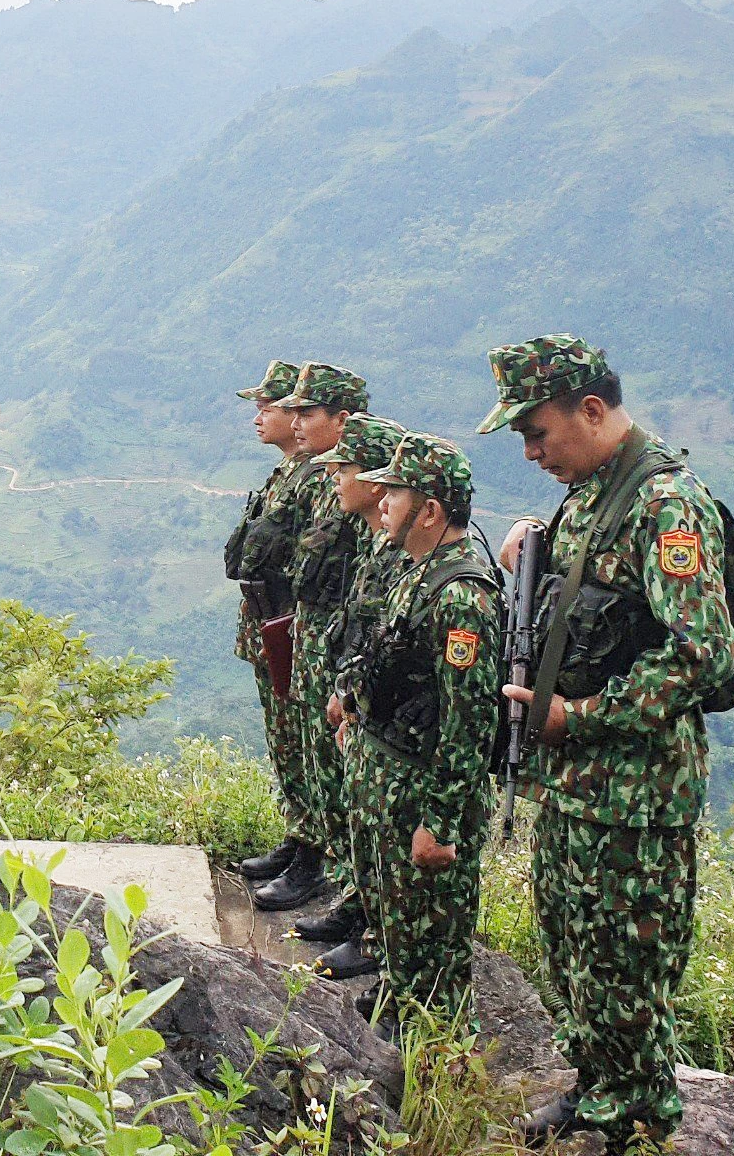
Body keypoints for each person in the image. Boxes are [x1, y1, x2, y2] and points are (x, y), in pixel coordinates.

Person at [480, 333, 734, 1150]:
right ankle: (598, 1090)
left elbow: (702, 652)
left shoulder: (665, 504)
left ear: (591, 410)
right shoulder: (592, 493)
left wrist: (580, 717)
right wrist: (533, 539)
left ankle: (637, 1117)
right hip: (577, 784)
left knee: (626, 970)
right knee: (573, 952)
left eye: (538, 432)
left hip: (635, 794)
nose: (531, 452)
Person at [346, 433, 499, 1029]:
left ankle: (435, 1046)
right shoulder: (415, 573)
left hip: (420, 792)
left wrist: (440, 822)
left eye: (396, 492)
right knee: (397, 925)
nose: (382, 501)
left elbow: (469, 721)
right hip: (389, 780)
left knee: (433, 945)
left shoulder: (460, 597)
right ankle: (398, 1001)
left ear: (430, 510)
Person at [255, 361, 369, 911]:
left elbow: (348, 576)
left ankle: (330, 872)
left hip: (335, 641)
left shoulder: (358, 485)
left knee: (331, 758)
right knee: (306, 749)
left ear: (341, 419)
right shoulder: (320, 479)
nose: (294, 421)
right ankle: (307, 847)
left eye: (307, 412)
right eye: (292, 411)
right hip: (308, 631)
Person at [302, 412, 408, 979]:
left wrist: (353, 700)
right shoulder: (375, 544)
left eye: (344, 469)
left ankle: (374, 933)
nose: (335, 479)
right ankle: (360, 910)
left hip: (391, 726)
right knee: (358, 817)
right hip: (361, 708)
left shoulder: (402, 553)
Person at [227, 361, 318, 884]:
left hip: (290, 627)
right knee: (283, 739)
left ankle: (313, 854)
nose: (259, 416)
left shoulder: (314, 478)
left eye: (270, 407)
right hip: (267, 622)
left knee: (301, 740)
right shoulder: (286, 473)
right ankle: (298, 834)